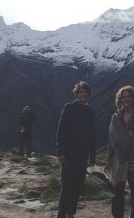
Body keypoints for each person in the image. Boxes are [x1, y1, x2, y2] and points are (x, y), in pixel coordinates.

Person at [104, 85, 134, 218]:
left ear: (133, 98)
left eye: (128, 96)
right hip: (118, 159)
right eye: (123, 97)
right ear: (119, 99)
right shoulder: (115, 117)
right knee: (118, 193)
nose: (126, 99)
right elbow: (112, 139)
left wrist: (123, 138)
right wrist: (128, 136)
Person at [56, 81, 96, 218]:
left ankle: (70, 214)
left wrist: (93, 156)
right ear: (76, 94)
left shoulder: (90, 111)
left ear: (88, 94)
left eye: (85, 92)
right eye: (81, 92)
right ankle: (61, 215)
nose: (83, 94)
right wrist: (60, 152)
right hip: (68, 155)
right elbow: (61, 131)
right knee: (67, 187)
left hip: (82, 156)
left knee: (78, 187)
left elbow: (92, 134)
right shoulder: (69, 108)